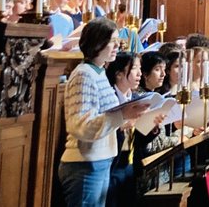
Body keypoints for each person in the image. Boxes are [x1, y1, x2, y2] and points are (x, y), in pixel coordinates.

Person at [58, 18, 150, 207]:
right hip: (85, 163)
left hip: (100, 160)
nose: (118, 46)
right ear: (98, 42)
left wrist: (129, 119)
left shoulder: (98, 73)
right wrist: (122, 115)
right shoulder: (83, 74)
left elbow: (107, 118)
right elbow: (80, 126)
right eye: (112, 41)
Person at [106, 52, 141, 207]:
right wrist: (122, 125)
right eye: (134, 69)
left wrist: (153, 127)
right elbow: (102, 127)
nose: (139, 73)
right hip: (113, 164)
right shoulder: (109, 97)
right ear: (119, 74)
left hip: (130, 162)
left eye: (140, 68)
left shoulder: (136, 98)